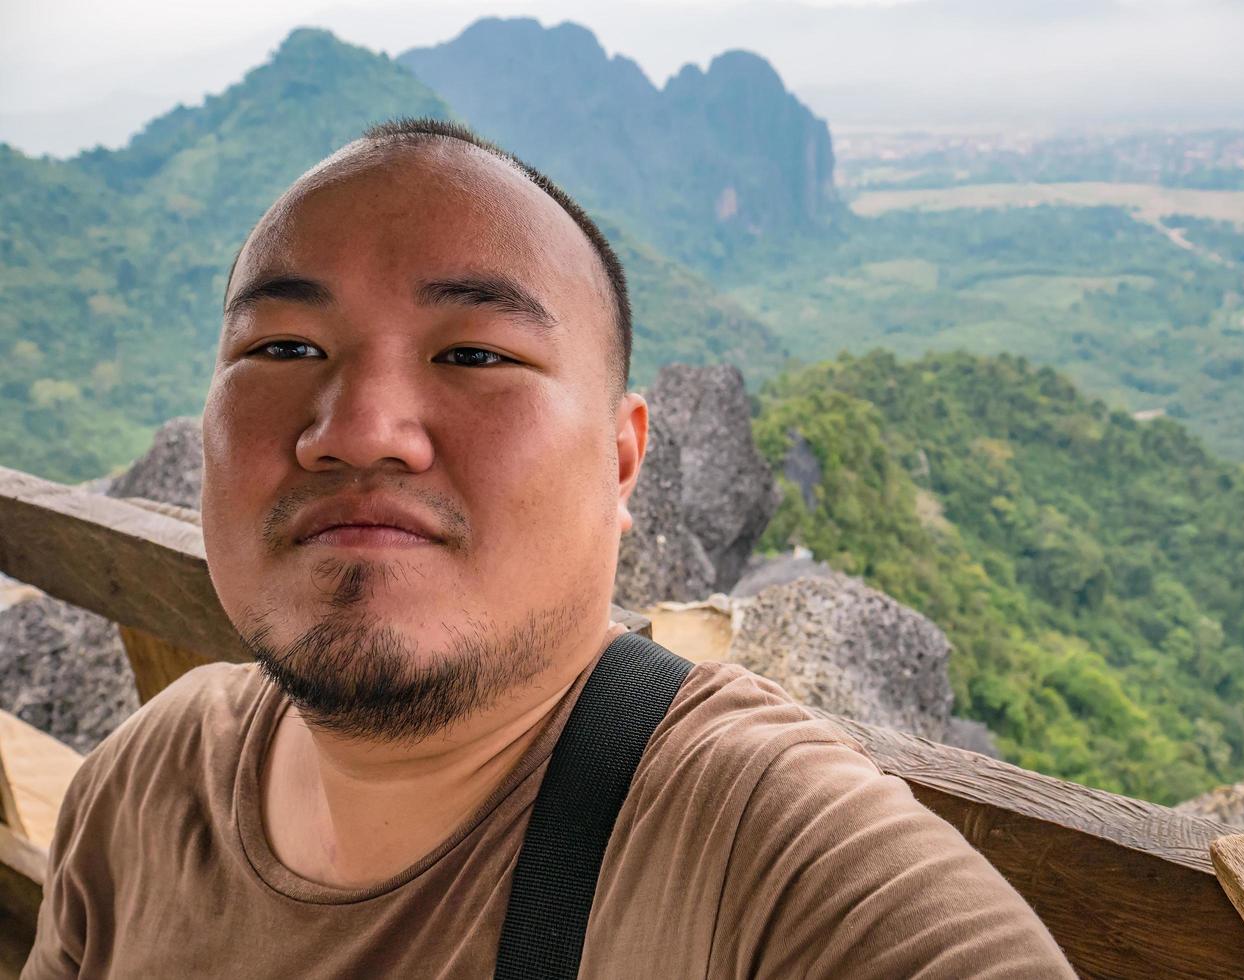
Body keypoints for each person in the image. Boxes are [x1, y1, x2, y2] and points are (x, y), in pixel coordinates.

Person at [23, 118, 1074, 978]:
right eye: (283, 347)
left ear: (622, 461)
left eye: (475, 352)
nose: (357, 427)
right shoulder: (143, 785)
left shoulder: (758, 856)